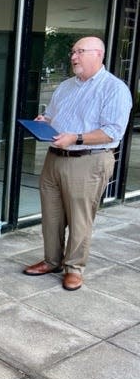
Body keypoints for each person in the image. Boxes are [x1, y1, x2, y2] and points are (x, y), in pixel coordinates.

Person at [23, 36, 132, 291]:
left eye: (79, 52)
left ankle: (74, 268)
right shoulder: (65, 86)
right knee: (51, 215)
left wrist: (77, 138)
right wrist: (44, 121)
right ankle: (52, 260)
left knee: (80, 218)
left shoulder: (114, 89)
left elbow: (113, 132)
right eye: (73, 52)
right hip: (55, 158)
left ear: (98, 54)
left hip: (88, 160)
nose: (73, 57)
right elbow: (52, 116)